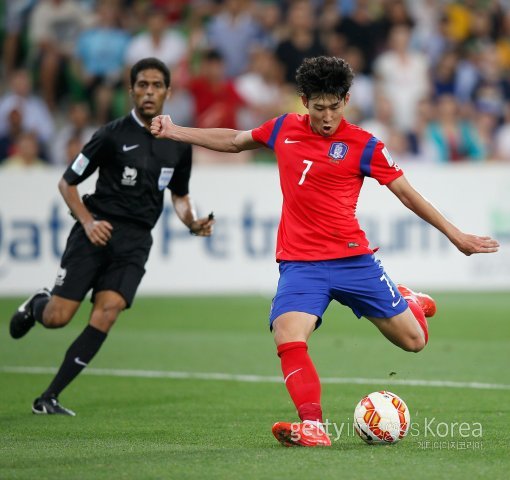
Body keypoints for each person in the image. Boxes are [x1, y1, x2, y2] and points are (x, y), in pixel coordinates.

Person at [150, 56, 499, 447]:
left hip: (353, 261)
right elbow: (234, 141)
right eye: (319, 108)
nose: (328, 116)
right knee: (287, 333)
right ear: (303, 101)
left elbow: (407, 194)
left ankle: (407, 299)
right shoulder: (282, 129)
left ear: (346, 100)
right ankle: (313, 425)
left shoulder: (365, 145)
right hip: (301, 264)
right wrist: (175, 130)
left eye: (335, 106)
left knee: (414, 341)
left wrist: (456, 236)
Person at [9, 57, 215, 416]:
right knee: (58, 317)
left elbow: (179, 195)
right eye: (142, 85)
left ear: (168, 91)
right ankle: (37, 305)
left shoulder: (179, 144)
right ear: (131, 90)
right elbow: (67, 183)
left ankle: (49, 397)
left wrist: (192, 222)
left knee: (108, 312)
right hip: (96, 232)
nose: (149, 92)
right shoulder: (111, 134)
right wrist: (88, 222)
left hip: (136, 241)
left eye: (156, 85)